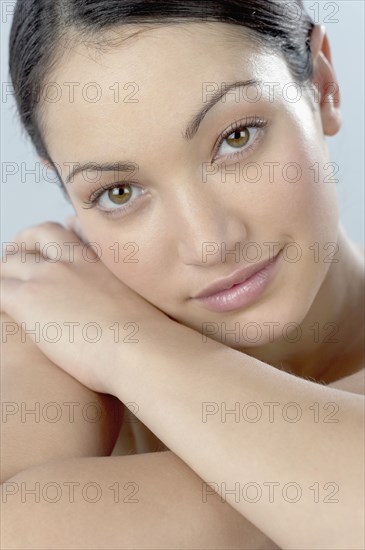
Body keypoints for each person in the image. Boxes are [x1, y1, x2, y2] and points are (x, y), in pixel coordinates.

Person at [1, 1, 364, 548]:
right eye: (118, 193)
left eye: (236, 138)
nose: (209, 243)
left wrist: (125, 346)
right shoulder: (45, 328)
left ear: (322, 84)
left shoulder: (87, 333)